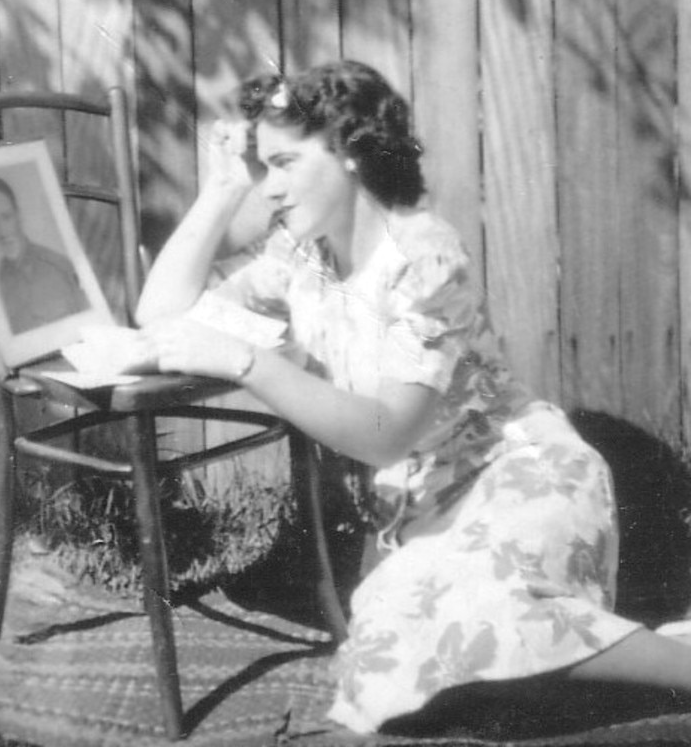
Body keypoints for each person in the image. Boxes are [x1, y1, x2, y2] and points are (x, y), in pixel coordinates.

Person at [136, 60, 691, 734]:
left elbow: (386, 435)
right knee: (385, 671)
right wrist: (222, 188)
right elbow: (159, 315)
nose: (271, 188)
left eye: (283, 163)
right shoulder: (300, 261)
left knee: (488, 619)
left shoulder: (424, 256)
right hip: (419, 509)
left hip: (520, 475)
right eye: (264, 168)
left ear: (345, 149)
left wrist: (251, 363)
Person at [0, 175, 89, 335]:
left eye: (6, 217)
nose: (2, 230)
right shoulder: (3, 272)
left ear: (18, 215)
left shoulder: (56, 266)